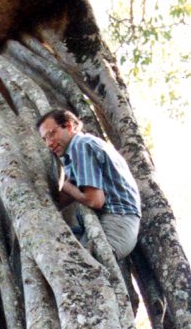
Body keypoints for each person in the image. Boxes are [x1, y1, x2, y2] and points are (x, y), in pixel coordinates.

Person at [37, 109, 141, 260]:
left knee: (79, 270)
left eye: (52, 134)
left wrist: (66, 186)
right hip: (104, 222)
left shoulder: (80, 145)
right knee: (50, 250)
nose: (49, 143)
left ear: (68, 126)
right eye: (44, 139)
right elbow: (58, 202)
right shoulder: (74, 153)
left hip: (117, 222)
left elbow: (95, 200)